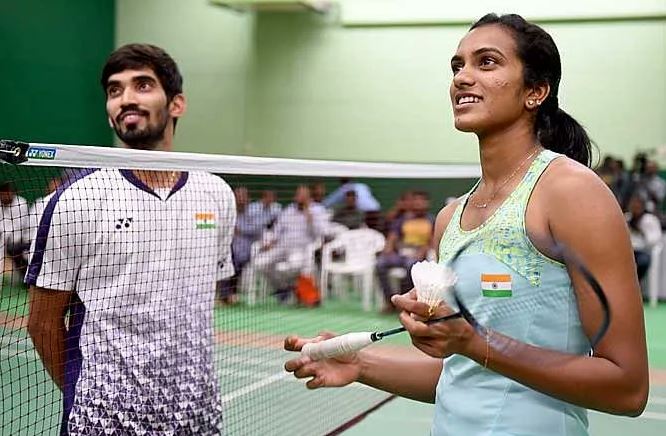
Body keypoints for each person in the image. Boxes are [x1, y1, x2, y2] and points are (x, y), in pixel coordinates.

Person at [284, 14, 648, 436]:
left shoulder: (572, 193)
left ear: (536, 91)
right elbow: (460, 373)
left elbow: (628, 388)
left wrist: (476, 343)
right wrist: (361, 363)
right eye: (457, 66)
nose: (463, 78)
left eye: (486, 62)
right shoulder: (450, 218)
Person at [26, 44, 236, 435]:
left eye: (142, 85)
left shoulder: (217, 194)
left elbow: (198, 301)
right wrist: (85, 395)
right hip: (104, 421)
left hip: (196, 413)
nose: (126, 99)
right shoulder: (78, 199)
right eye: (114, 90)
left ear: (177, 104)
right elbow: (42, 322)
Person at [255, 185, 327, 302]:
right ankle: (282, 288)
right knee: (261, 263)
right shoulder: (289, 210)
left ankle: (292, 288)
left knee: (289, 267)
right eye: (298, 195)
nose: (299, 198)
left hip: (300, 249)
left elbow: (322, 233)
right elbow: (276, 230)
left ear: (309, 197)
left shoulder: (318, 210)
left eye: (303, 196)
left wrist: (310, 219)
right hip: (281, 246)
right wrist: (268, 242)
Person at [376, 191, 433, 311]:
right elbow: (393, 236)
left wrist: (423, 251)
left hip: (418, 254)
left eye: (421, 201)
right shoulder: (404, 219)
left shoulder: (431, 220)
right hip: (401, 252)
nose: (418, 204)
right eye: (416, 201)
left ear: (427, 203)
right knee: (380, 264)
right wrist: (389, 249)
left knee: (410, 266)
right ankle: (390, 300)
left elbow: (432, 240)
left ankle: (404, 301)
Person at [626, 192, 662, 284]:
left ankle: (635, 284)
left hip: (643, 251)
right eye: (633, 204)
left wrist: (642, 232)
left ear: (643, 206)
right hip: (628, 251)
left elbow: (655, 239)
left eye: (638, 205)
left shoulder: (650, 220)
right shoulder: (627, 218)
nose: (635, 207)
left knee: (643, 262)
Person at [0, 182, 31, 284]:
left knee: (16, 250)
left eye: (7, 193)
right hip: (2, 238)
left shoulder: (21, 203)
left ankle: (26, 279)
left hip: (18, 239)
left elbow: (21, 226)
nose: (5, 196)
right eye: (2, 194)